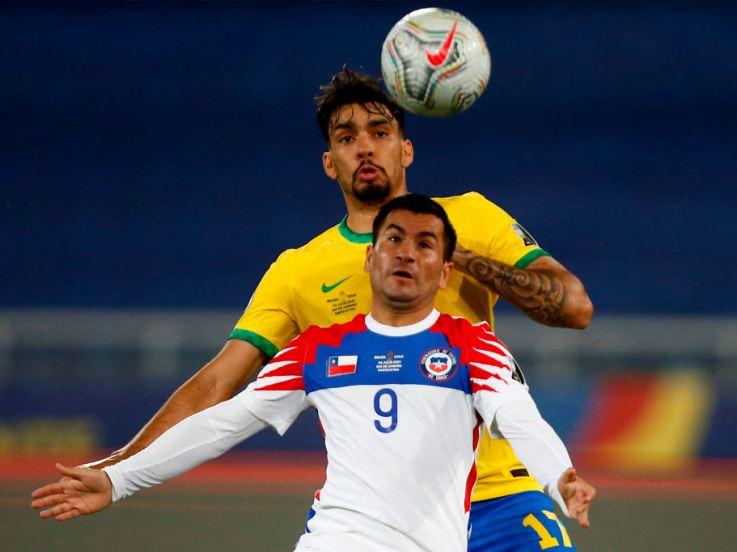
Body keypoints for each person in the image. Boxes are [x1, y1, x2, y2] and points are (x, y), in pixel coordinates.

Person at [81, 68, 594, 550]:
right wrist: (121, 465)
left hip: (502, 498)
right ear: (330, 162)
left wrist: (463, 258)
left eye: (380, 131)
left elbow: (575, 308)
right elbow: (219, 386)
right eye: (346, 138)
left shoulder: (470, 217)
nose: (365, 147)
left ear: (406, 149)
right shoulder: (299, 270)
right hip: (373, 517)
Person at [32, 195, 595, 552]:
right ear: (370, 258)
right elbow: (224, 422)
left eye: (425, 244)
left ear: (444, 269)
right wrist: (119, 477)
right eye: (393, 240)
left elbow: (520, 419)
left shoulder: (473, 346)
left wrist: (559, 476)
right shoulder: (317, 349)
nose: (406, 253)